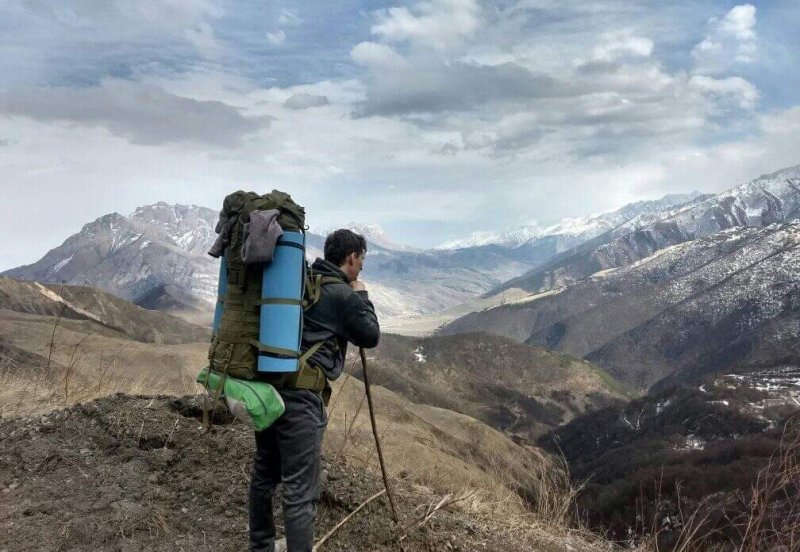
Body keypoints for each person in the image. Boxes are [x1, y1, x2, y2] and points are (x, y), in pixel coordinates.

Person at [249, 229, 380, 552]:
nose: (361, 268)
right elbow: (370, 334)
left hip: (270, 391)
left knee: (265, 473)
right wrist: (361, 295)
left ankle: (261, 547)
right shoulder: (342, 295)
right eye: (361, 261)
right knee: (299, 491)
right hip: (302, 402)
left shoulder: (300, 281)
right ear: (351, 258)